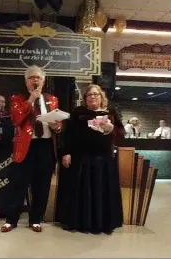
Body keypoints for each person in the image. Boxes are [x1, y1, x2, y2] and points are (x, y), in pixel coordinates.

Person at [1, 66, 62, 233]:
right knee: (18, 184)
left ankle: (36, 219)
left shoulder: (52, 99)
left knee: (42, 186)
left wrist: (56, 126)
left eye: (38, 78)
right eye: (32, 77)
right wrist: (31, 100)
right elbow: (16, 118)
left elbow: (59, 126)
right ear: (26, 81)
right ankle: (11, 220)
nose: (35, 80)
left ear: (43, 81)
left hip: (46, 146)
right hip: (26, 147)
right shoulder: (17, 98)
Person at [58, 84, 124, 234]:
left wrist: (111, 129)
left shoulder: (111, 113)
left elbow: (121, 133)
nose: (93, 97)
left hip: (104, 159)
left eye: (96, 94)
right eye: (89, 95)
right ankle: (81, 222)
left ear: (102, 97)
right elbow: (68, 135)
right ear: (85, 98)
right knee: (82, 192)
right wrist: (66, 152)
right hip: (82, 159)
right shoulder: (77, 112)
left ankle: (101, 223)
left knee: (102, 191)